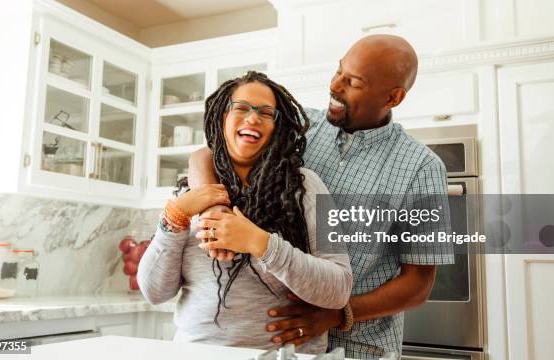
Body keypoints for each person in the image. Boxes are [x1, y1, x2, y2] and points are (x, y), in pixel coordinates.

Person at [189, 35, 454, 359]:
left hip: (361, 347)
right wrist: (214, 211)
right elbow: (207, 154)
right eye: (338, 71)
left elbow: (418, 284)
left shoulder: (422, 168)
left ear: (393, 97)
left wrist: (338, 314)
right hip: (285, 344)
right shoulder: (303, 127)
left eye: (353, 82)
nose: (335, 85)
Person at [137, 71, 353, 354]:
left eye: (266, 113)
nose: (253, 118)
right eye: (241, 108)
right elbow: (154, 292)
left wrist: (260, 243)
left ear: (277, 127)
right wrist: (174, 219)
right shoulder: (188, 195)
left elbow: (339, 288)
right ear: (221, 118)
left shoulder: (309, 186)